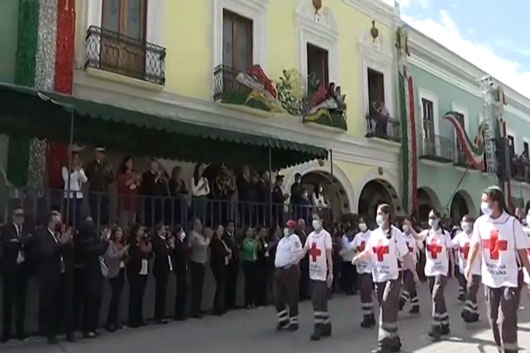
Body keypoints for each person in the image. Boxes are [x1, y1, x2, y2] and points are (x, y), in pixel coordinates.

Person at [465, 186, 530, 353]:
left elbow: (522, 252)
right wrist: (469, 266)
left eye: (486, 201)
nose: (483, 205)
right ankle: (502, 349)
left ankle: (510, 350)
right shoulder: (480, 222)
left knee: (506, 320)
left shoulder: (512, 223)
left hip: (510, 279)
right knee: (493, 320)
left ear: (496, 203)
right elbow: (476, 245)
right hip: (490, 280)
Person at [353, 204, 417, 353]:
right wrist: (359, 258)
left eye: (380, 213)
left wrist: (413, 273)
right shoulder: (374, 234)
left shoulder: (396, 234)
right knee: (387, 308)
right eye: (376, 213)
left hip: (392, 278)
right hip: (378, 277)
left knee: (387, 306)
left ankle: (383, 343)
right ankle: (394, 340)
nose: (378, 217)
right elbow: (369, 252)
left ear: (388, 215)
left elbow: (406, 255)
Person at [406, 209, 454, 341]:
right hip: (430, 270)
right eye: (429, 217)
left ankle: (435, 326)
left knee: (435, 296)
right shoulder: (427, 233)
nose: (431, 220)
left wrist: (452, 268)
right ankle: (445, 324)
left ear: (439, 219)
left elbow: (450, 253)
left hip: (442, 270)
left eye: (433, 217)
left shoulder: (445, 235)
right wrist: (409, 227)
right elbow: (417, 236)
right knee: (439, 298)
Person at [36, 210, 75, 344]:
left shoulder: (61, 235)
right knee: (51, 305)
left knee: (67, 304)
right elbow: (48, 251)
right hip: (51, 275)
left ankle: (69, 332)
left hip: (64, 274)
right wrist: (61, 242)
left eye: (60, 221)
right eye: (56, 222)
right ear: (50, 222)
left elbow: (70, 251)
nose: (59, 224)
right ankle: (51, 333)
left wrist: (67, 240)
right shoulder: (43, 235)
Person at [298, 213, 333, 341]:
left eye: (316, 219)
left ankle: (317, 328)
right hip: (312, 273)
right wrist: (294, 259)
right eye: (312, 219)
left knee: (317, 300)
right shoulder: (310, 236)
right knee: (320, 301)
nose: (314, 222)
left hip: (322, 274)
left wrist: (331, 273)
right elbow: (304, 251)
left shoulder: (326, 236)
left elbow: (329, 256)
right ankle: (327, 325)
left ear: (322, 221)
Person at [1, 207, 34, 342]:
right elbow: (6, 244)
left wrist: (21, 242)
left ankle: (20, 331)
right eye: (17, 215)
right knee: (8, 303)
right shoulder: (6, 229)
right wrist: (19, 243)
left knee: (22, 303)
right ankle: (6, 333)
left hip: (22, 271)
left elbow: (31, 243)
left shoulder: (27, 230)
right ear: (12, 216)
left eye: (22, 215)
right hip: (10, 270)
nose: (20, 217)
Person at [80, 225, 110, 338]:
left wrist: (103, 238)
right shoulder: (85, 243)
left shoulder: (94, 242)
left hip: (97, 277)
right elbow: (98, 249)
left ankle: (94, 326)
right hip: (89, 278)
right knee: (89, 305)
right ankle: (87, 329)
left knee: (97, 302)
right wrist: (106, 241)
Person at [273, 220, 302, 331]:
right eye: (285, 227)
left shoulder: (294, 239)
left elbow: (297, 254)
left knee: (292, 295)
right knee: (277, 296)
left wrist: (290, 264)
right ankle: (283, 318)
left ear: (293, 229)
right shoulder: (282, 241)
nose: (286, 229)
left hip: (289, 270)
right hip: (279, 270)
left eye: (289, 227)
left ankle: (294, 320)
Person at [451, 215, 481, 323]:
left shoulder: (477, 236)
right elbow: (450, 245)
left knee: (471, 290)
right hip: (463, 269)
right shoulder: (460, 236)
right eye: (463, 222)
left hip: (476, 269)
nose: (464, 225)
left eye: (467, 223)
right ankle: (474, 313)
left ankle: (467, 310)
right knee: (470, 291)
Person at [103, 225, 128, 332]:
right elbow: (109, 257)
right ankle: (109, 322)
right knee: (114, 297)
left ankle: (116, 321)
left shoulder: (122, 244)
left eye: (120, 232)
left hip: (122, 271)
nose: (119, 234)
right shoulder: (111, 244)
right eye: (117, 232)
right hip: (114, 273)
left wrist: (125, 254)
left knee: (118, 298)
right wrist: (121, 253)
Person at [127, 224, 152, 328]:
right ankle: (132, 319)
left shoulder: (143, 242)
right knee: (134, 295)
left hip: (144, 270)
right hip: (134, 271)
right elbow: (135, 254)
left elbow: (149, 254)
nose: (142, 232)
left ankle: (139, 317)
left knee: (140, 295)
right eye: (141, 230)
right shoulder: (133, 242)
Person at [351, 218, 375, 328]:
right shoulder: (357, 236)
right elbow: (353, 247)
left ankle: (368, 316)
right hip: (360, 268)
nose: (362, 224)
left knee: (366, 291)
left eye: (363, 222)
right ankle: (368, 314)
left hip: (369, 268)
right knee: (363, 294)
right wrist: (357, 253)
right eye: (360, 222)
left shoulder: (372, 235)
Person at [85, 146, 113, 226]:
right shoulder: (91, 165)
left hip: (104, 193)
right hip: (95, 193)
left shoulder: (106, 165)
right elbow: (88, 177)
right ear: (96, 154)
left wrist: (107, 172)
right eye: (100, 153)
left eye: (103, 154)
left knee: (104, 212)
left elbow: (111, 179)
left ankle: (103, 228)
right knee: (95, 212)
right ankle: (95, 228)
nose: (102, 155)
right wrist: (101, 171)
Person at [152, 224, 174, 324]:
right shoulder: (157, 241)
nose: (165, 231)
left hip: (165, 268)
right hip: (160, 269)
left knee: (163, 292)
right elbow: (162, 253)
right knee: (160, 292)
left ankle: (161, 314)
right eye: (163, 229)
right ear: (158, 231)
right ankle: (159, 316)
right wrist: (171, 247)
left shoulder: (164, 240)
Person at [399, 220, 422, 315]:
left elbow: (421, 247)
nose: (406, 226)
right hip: (402, 265)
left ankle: (400, 303)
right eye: (404, 224)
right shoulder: (400, 236)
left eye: (408, 224)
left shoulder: (414, 237)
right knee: (411, 285)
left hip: (412, 265)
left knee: (408, 285)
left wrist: (416, 237)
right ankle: (415, 305)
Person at [189, 219, 210, 318]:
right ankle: (194, 310)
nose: (200, 227)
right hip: (196, 262)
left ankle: (198, 308)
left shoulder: (201, 235)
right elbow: (202, 245)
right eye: (198, 225)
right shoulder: (194, 235)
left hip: (202, 262)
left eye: (201, 225)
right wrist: (208, 239)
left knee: (200, 287)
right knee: (196, 287)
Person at [62, 151, 87, 228]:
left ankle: (77, 228)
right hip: (69, 195)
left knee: (78, 214)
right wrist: (76, 172)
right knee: (70, 214)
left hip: (78, 195)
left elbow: (85, 179)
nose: (76, 160)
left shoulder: (80, 170)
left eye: (77, 158)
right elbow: (67, 179)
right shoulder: (65, 168)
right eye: (75, 158)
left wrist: (79, 171)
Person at [210, 224, 231, 315]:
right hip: (218, 265)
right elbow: (219, 252)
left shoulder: (221, 240)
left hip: (222, 264)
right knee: (220, 286)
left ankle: (221, 306)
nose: (222, 231)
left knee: (222, 286)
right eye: (220, 229)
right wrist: (227, 252)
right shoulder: (215, 241)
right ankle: (218, 308)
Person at [142, 159, 169, 228]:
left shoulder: (160, 176)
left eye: (157, 166)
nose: (156, 167)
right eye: (154, 165)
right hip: (150, 201)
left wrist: (162, 180)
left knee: (159, 219)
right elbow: (149, 187)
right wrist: (156, 178)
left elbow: (164, 190)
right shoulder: (146, 175)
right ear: (151, 166)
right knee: (150, 219)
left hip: (159, 201)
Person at [116, 156, 141, 229]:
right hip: (125, 202)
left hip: (133, 202)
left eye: (132, 162)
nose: (130, 164)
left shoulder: (134, 172)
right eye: (129, 162)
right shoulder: (121, 173)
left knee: (132, 223)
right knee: (124, 223)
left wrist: (138, 182)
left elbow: (138, 186)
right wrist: (132, 179)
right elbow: (122, 185)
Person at [172, 226, 189, 320]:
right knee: (180, 290)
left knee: (184, 290)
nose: (183, 233)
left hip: (184, 267)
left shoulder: (182, 242)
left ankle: (182, 312)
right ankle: (178, 313)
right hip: (180, 268)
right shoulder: (177, 243)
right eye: (181, 231)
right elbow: (180, 253)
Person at [241, 227, 259, 308]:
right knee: (248, 282)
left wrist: (256, 242)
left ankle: (253, 301)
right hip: (247, 262)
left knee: (254, 282)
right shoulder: (245, 241)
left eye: (252, 231)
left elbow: (258, 248)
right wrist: (255, 242)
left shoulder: (254, 241)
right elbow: (249, 249)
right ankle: (247, 302)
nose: (251, 232)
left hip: (254, 261)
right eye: (249, 231)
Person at [223, 221, 239, 311]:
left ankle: (232, 302)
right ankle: (227, 303)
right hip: (229, 262)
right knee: (228, 283)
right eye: (230, 226)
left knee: (233, 283)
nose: (232, 227)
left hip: (235, 261)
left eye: (233, 226)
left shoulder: (234, 236)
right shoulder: (225, 237)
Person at [339, 225, 357, 295]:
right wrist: (353, 246)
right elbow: (347, 247)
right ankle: (348, 289)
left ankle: (353, 288)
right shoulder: (344, 238)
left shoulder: (353, 238)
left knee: (353, 275)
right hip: (346, 259)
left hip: (352, 258)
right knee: (348, 276)